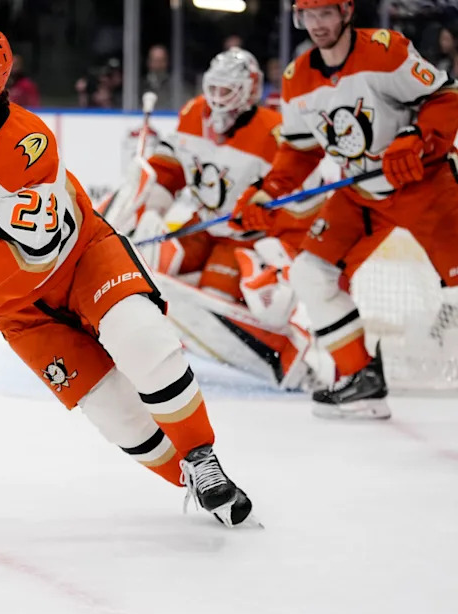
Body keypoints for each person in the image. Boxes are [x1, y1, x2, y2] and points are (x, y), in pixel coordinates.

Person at [0, 21, 254, 527]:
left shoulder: (27, 146)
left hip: (80, 261)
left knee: (141, 340)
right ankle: (188, 481)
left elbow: (19, 259)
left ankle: (201, 457)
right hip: (15, 309)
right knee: (114, 412)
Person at [231, 0, 458, 419]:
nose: (317, 25)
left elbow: (445, 97)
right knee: (309, 272)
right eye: (308, 16)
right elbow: (299, 152)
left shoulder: (386, 50)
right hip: (360, 194)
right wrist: (266, 192)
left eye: (326, 14)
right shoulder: (297, 78)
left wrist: (416, 137)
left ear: (347, 11)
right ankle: (362, 379)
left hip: (424, 183)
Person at [104, 48, 323, 391]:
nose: (218, 98)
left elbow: (295, 194)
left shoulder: (273, 132)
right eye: (215, 88)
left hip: (240, 239)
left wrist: (273, 227)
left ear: (249, 91)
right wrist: (153, 211)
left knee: (205, 304)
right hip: (199, 225)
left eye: (228, 90)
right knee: (142, 263)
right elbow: (171, 167)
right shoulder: (193, 112)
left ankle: (282, 352)